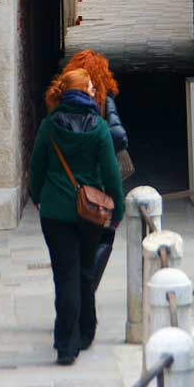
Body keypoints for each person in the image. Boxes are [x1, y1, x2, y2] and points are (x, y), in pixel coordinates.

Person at [29, 68, 125, 365]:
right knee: (85, 271)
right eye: (92, 89)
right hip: (90, 215)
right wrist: (117, 211)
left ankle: (65, 344)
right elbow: (111, 175)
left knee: (65, 275)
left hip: (56, 213)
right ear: (84, 92)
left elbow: (37, 168)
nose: (96, 93)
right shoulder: (98, 128)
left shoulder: (49, 125)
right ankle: (86, 331)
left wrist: (38, 198)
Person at [62, 50, 129, 289]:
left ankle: (72, 302)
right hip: (95, 189)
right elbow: (119, 137)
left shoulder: (57, 105)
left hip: (64, 189)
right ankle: (84, 295)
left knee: (69, 256)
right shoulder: (104, 99)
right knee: (93, 249)